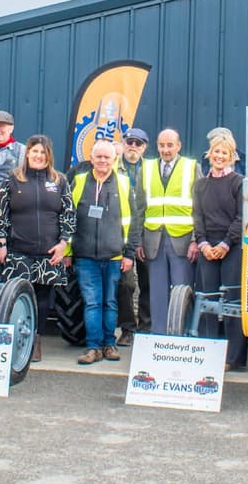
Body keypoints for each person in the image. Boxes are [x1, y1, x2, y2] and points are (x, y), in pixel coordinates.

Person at [0, 135, 75, 363]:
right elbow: (1, 213)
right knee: (17, 295)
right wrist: (1, 243)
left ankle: (34, 341)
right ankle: (14, 340)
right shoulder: (13, 179)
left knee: (42, 299)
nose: (38, 156)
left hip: (49, 253)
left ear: (48, 155)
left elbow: (69, 214)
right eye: (34, 151)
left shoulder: (59, 181)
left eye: (43, 152)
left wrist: (63, 244)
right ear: (27, 153)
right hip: (18, 251)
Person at [69, 140, 142, 364]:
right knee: (92, 302)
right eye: (98, 157)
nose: (102, 161)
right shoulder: (79, 181)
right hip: (85, 256)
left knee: (110, 303)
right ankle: (93, 348)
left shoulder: (123, 183)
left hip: (114, 256)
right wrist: (68, 251)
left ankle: (110, 345)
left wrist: (129, 254)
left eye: (106, 157)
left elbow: (133, 221)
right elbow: (68, 218)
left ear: (114, 160)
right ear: (91, 158)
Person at [192, 132, 248, 371]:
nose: (220, 156)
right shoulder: (200, 185)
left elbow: (241, 217)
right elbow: (197, 217)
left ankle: (233, 358)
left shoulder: (238, 182)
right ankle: (208, 353)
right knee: (207, 299)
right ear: (210, 154)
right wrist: (203, 244)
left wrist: (225, 244)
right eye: (216, 151)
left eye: (224, 152)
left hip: (232, 246)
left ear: (231, 156)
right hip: (207, 246)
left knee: (233, 301)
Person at [141, 128, 202, 334]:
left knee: (182, 291)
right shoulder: (146, 168)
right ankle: (159, 336)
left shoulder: (192, 167)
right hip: (154, 239)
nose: (165, 150)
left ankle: (183, 336)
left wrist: (195, 239)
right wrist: (138, 241)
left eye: (170, 145)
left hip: (182, 241)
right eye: (162, 145)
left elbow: (200, 207)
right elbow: (139, 208)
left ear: (179, 146)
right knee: (157, 293)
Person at [117, 127, 150, 345]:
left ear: (144, 147)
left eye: (138, 143)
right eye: (130, 142)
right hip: (122, 235)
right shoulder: (113, 167)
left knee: (148, 283)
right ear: (123, 143)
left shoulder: (151, 169)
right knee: (126, 284)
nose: (133, 146)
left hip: (148, 236)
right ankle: (128, 328)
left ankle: (146, 328)